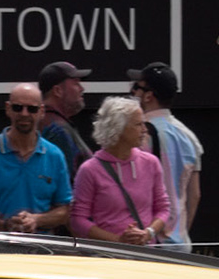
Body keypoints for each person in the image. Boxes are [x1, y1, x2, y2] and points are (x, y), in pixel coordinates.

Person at [0, 83, 72, 233]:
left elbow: (65, 211)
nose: (24, 113)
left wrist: (36, 220)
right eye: (18, 107)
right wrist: (3, 226)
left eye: (32, 109)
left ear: (42, 111)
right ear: (8, 108)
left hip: (38, 245)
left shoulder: (55, 156)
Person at [72, 95, 169, 245]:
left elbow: (163, 208)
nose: (144, 130)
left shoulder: (151, 163)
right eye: (138, 124)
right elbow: (78, 219)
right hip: (107, 255)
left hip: (145, 253)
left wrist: (148, 233)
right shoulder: (89, 170)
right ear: (118, 128)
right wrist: (117, 241)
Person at [130, 62, 200, 249]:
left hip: (145, 241)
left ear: (148, 96)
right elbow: (194, 194)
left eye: (136, 87)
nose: (133, 92)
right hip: (180, 244)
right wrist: (180, 232)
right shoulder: (189, 136)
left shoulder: (138, 134)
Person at [36, 60, 91, 177]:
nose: (81, 89)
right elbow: (63, 179)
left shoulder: (46, 123)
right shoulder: (58, 131)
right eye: (76, 83)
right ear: (58, 91)